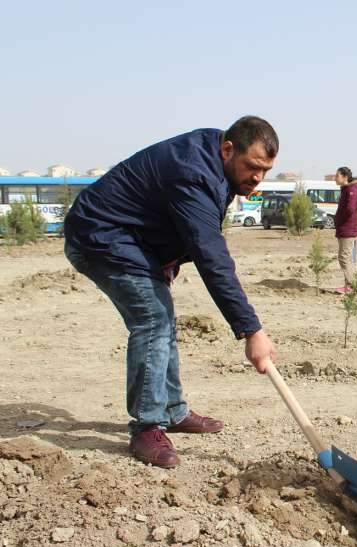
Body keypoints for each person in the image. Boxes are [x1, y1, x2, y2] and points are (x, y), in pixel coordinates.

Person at [64, 116, 279, 469]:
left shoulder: (217, 161)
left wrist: (166, 260)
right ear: (228, 149)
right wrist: (250, 329)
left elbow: (182, 224)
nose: (258, 178)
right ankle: (148, 426)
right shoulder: (193, 174)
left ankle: (172, 410)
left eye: (266, 170)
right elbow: (210, 253)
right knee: (152, 320)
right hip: (99, 238)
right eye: (253, 167)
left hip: (130, 241)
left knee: (161, 318)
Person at [334, 166, 357, 293]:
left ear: (344, 177)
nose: (335, 178)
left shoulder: (352, 190)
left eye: (337, 176)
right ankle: (348, 286)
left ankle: (351, 286)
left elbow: (350, 209)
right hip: (346, 229)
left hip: (348, 229)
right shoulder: (347, 189)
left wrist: (340, 219)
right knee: (348, 258)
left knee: (344, 257)